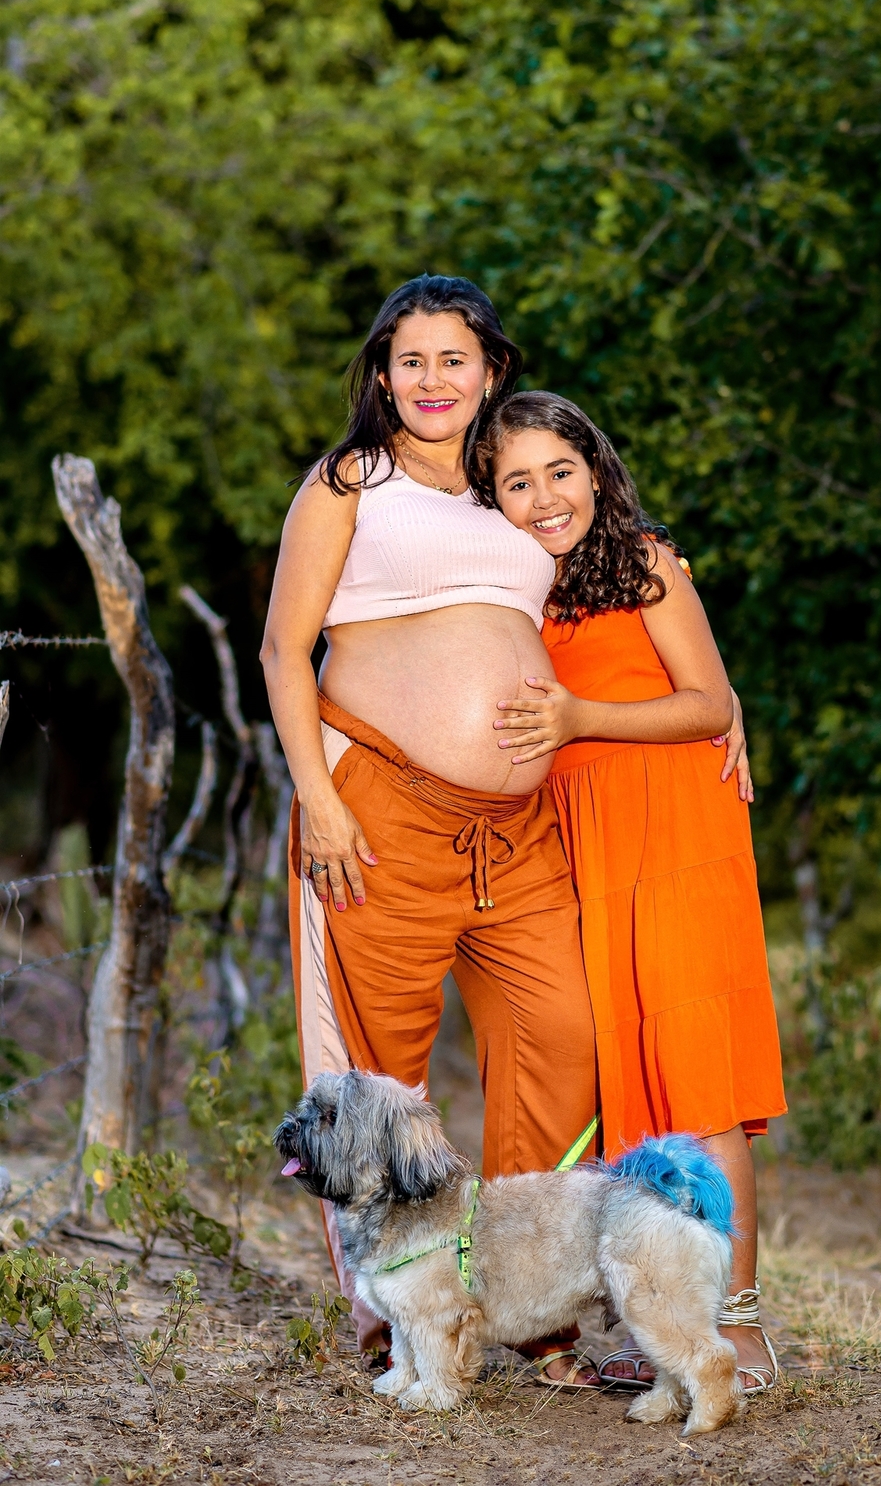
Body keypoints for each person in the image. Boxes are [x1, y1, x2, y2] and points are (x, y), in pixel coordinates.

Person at [260, 278, 598, 1386]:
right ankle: (389, 1314)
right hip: (380, 811)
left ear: (491, 367)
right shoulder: (351, 481)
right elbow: (281, 649)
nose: (433, 381)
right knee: (370, 1080)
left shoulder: (519, 489)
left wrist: (717, 695)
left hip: (518, 831)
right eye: (411, 361)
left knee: (565, 1035)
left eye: (454, 359)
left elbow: (623, 583)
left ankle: (523, 1296)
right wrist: (318, 792)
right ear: (381, 373)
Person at [472, 390, 788, 1395]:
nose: (544, 495)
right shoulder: (515, 591)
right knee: (631, 1089)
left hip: (676, 834)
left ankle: (740, 1328)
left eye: (560, 470)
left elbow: (710, 701)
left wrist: (578, 717)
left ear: (598, 470)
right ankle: (658, 1315)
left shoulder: (645, 560)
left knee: (699, 1086)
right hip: (589, 854)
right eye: (517, 482)